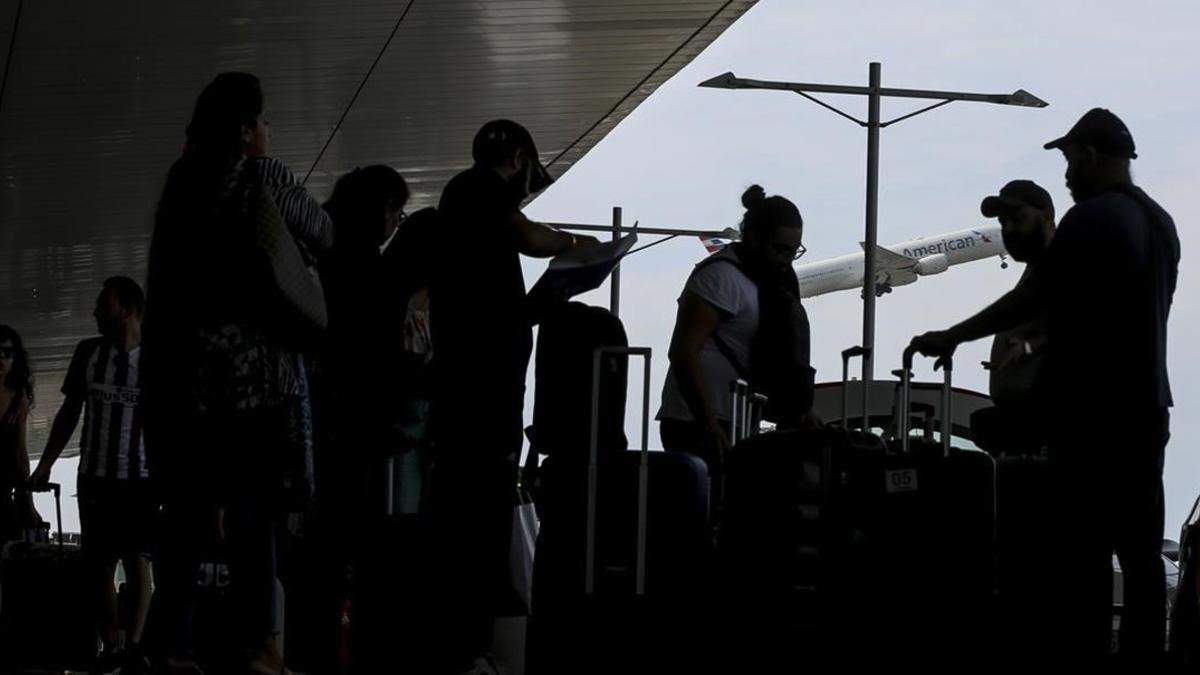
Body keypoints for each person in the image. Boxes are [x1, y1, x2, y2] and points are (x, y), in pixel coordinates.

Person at [911, 108, 1179, 668]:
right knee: (1140, 556)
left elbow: (1036, 299)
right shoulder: (1159, 222)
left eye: (1067, 160)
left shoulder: (1093, 218)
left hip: (1093, 417)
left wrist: (954, 335)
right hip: (1147, 407)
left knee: (1080, 557)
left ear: (1087, 156)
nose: (1065, 174)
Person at [142, 72, 333, 675]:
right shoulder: (264, 175)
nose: (269, 130)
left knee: (189, 516)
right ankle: (261, 646)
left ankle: (172, 644)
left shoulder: (181, 185)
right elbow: (325, 233)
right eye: (264, 120)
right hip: (250, 381)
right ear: (247, 130)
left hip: (186, 379)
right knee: (254, 514)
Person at [429, 119, 597, 675]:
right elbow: (531, 237)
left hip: (477, 377)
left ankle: (466, 640)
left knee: (476, 508)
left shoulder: (465, 204)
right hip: (480, 385)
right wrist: (577, 246)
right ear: (519, 159)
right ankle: (468, 645)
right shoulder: (479, 189)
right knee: (479, 512)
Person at [657, 184, 812, 508]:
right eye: (779, 249)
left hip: (738, 421)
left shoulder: (768, 280)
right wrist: (708, 424)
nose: (786, 260)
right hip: (696, 424)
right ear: (752, 237)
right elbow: (683, 352)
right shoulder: (720, 279)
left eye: (793, 251)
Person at [28, 278, 154, 674]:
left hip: (139, 478)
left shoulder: (158, 360)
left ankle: (133, 645)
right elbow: (69, 415)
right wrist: (46, 462)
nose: (96, 311)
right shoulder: (88, 353)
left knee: (137, 561)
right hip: (95, 477)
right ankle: (111, 646)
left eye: (104, 304)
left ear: (128, 308)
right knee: (98, 564)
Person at [970, 179, 1056, 454]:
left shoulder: (1065, 264)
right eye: (1003, 222)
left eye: (1016, 218)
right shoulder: (1037, 270)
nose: (1009, 230)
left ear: (1045, 216)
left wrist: (1029, 347)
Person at [0, 325, 39, 558]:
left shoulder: (18, 397)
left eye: (7, 352)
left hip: (4, 487)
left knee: (10, 548)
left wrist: (28, 500)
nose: (1, 358)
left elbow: (20, 451)